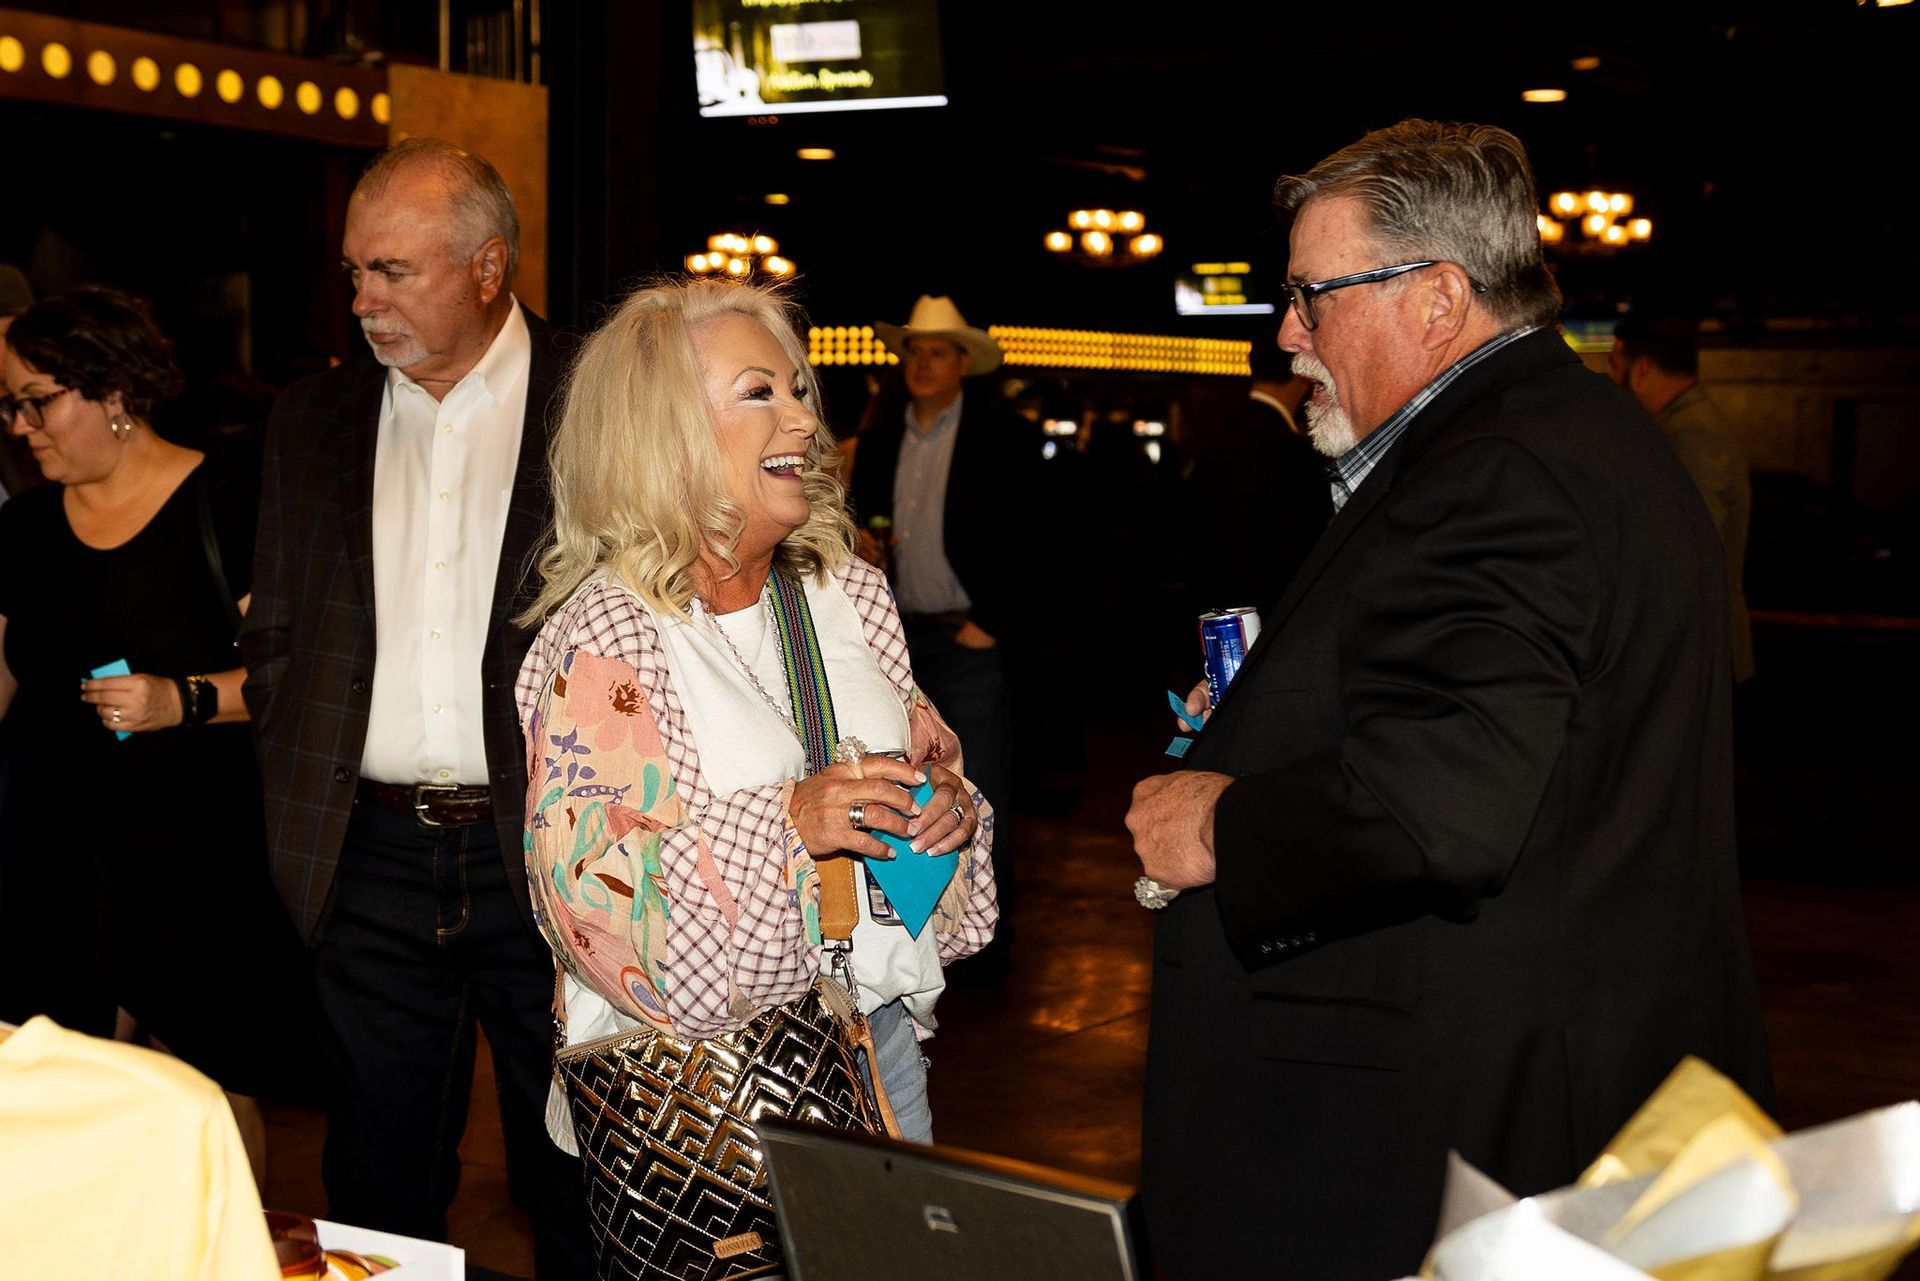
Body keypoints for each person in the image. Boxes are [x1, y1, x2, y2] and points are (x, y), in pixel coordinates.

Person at [1125, 120, 1772, 1279]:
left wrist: (1217, 823)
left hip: (1470, 1124)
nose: (1287, 333)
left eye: (1311, 296)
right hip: (1554, 1077)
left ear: (1435, 298)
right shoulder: (1574, 436)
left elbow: (1445, 805)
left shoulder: (1499, 473)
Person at [515, 278, 998, 1276]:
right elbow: (595, 903)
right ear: (665, 433)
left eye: (799, 389)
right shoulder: (608, 635)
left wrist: (944, 816)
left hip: (877, 1054)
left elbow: (922, 789)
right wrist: (789, 823)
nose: (804, 419)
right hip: (702, 1096)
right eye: (759, 392)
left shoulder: (851, 594)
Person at [239, 139, 591, 1273]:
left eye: (392, 271)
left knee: (578, 1180)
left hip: (562, 849)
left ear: (488, 267)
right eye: (354, 271)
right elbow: (279, 630)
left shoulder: (602, 398)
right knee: (374, 1183)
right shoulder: (313, 418)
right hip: (372, 860)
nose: (362, 300)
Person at [0, 286, 318, 1110]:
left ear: (112, 391)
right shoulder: (25, 528)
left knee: (206, 1092)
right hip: (55, 854)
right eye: (11, 406)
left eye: (37, 402)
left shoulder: (228, 500)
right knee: (65, 1094)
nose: (21, 427)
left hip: (194, 856)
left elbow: (300, 676)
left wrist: (184, 699)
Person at [848, 295, 1027, 953]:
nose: (922, 363)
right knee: (902, 780)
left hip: (965, 634)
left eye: (936, 352)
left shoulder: (1001, 435)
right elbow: (860, 520)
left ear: (962, 363)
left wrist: (992, 622)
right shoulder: (879, 434)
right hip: (894, 638)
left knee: (979, 782)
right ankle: (916, 927)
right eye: (914, 352)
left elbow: (1036, 538)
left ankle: (985, 929)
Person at [1611, 313, 1755, 683]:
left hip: (1698, 662)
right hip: (1701, 657)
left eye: (1615, 366)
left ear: (1641, 370)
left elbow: (1684, 556)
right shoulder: (1688, 427)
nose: (1612, 382)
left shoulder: (1688, 437)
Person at [1185, 326, 1328, 611]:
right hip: (1276, 616)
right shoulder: (1291, 452)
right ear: (1303, 373)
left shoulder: (1212, 440)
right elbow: (1302, 556)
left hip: (1213, 614)